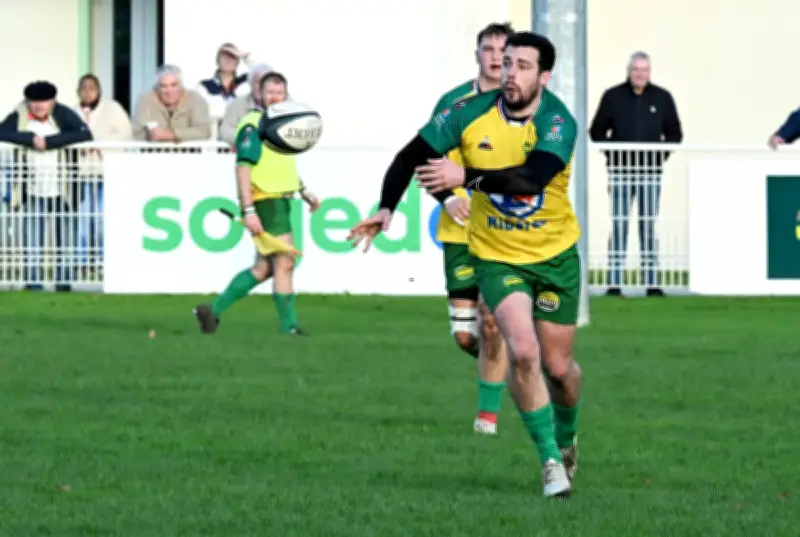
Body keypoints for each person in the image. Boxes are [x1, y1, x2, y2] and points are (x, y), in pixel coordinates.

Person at [348, 32, 581, 498]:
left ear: (544, 76)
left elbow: (530, 180)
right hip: (496, 255)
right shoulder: (469, 110)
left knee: (558, 368)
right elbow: (410, 155)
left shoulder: (557, 121)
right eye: (507, 63)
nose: (510, 73)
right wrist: (386, 207)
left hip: (554, 255)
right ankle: (550, 462)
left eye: (523, 66)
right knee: (523, 350)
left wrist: (465, 178)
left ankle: (569, 436)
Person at [428, 21, 513, 437]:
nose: (496, 57)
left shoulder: (527, 105)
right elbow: (425, 160)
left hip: (504, 229)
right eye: (488, 49)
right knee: (466, 335)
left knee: (492, 320)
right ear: (477, 54)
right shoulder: (453, 103)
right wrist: (448, 198)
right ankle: (509, 359)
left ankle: (487, 419)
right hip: (459, 230)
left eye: (503, 50)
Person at [194, 72, 320, 336]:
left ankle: (212, 312)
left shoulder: (282, 125)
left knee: (263, 269)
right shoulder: (253, 124)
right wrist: (249, 209)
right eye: (270, 92)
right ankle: (290, 328)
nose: (275, 97)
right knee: (285, 262)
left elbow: (280, 166)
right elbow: (243, 167)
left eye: (280, 93)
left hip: (281, 199)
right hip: (267, 200)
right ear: (259, 94)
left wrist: (304, 191)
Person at [589, 51, 682, 297]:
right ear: (628, 71)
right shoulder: (613, 97)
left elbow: (674, 134)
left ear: (649, 73)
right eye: (636, 70)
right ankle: (614, 282)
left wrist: (657, 158)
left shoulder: (662, 98)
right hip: (620, 172)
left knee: (647, 225)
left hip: (650, 173)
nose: (640, 75)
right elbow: (597, 130)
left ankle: (652, 282)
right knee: (619, 224)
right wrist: (613, 155)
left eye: (644, 70)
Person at [0, 81, 93, 292]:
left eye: (43, 101)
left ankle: (64, 281)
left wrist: (50, 142)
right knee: (33, 237)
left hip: (64, 188)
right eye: (34, 102)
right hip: (32, 187)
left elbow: (84, 134)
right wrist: (30, 140)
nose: (38, 106)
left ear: (53, 101)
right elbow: (2, 132)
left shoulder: (64, 113)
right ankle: (33, 281)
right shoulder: (20, 114)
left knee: (66, 237)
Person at [74, 74, 133, 267]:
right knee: (83, 220)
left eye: (92, 88)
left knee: (102, 219)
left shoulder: (112, 109)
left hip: (107, 172)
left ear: (99, 90)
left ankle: (103, 262)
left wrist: (98, 145)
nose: (88, 92)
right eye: (83, 88)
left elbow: (124, 134)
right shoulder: (73, 113)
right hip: (82, 174)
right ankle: (82, 262)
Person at [132, 65, 211, 142]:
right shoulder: (145, 100)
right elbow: (137, 132)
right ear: (157, 87)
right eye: (163, 86)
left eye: (174, 85)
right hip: (155, 153)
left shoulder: (195, 99)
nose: (169, 91)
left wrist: (172, 134)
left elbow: (204, 131)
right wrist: (152, 134)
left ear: (181, 85)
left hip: (187, 153)